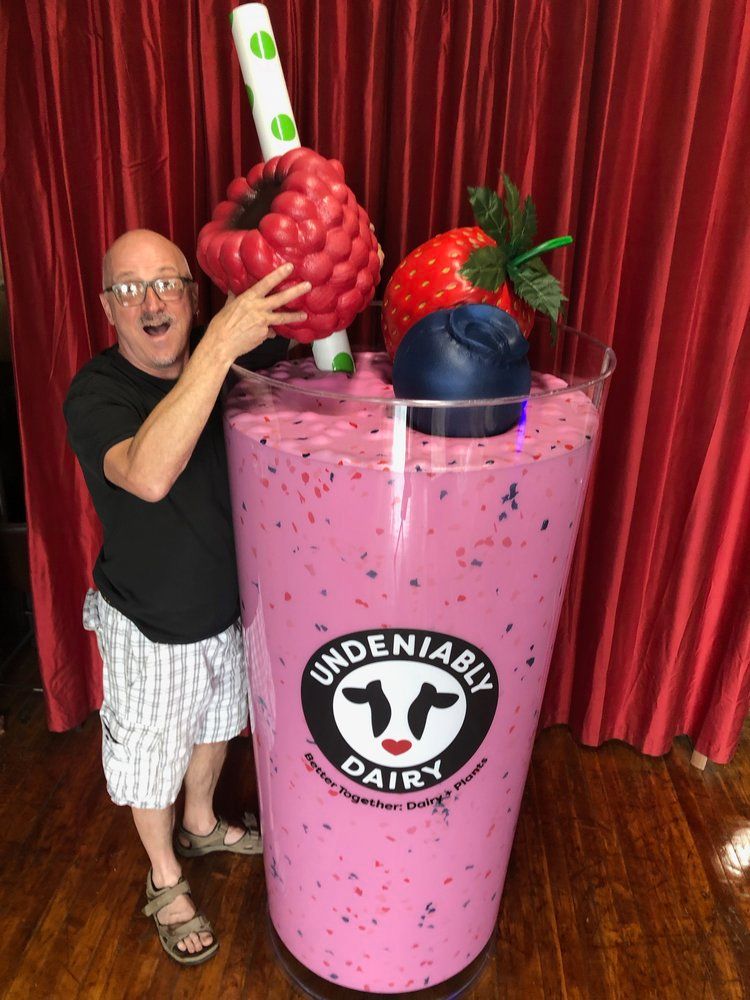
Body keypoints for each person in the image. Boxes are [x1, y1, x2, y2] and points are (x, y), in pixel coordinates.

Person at [64, 228, 312, 965]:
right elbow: (147, 473)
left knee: (213, 727)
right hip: (148, 622)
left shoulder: (216, 342)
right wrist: (216, 349)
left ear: (190, 292)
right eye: (131, 288)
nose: (153, 301)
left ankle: (201, 823)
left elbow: (302, 322)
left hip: (227, 609)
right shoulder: (97, 391)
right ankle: (165, 876)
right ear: (108, 307)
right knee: (149, 757)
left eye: (167, 282)